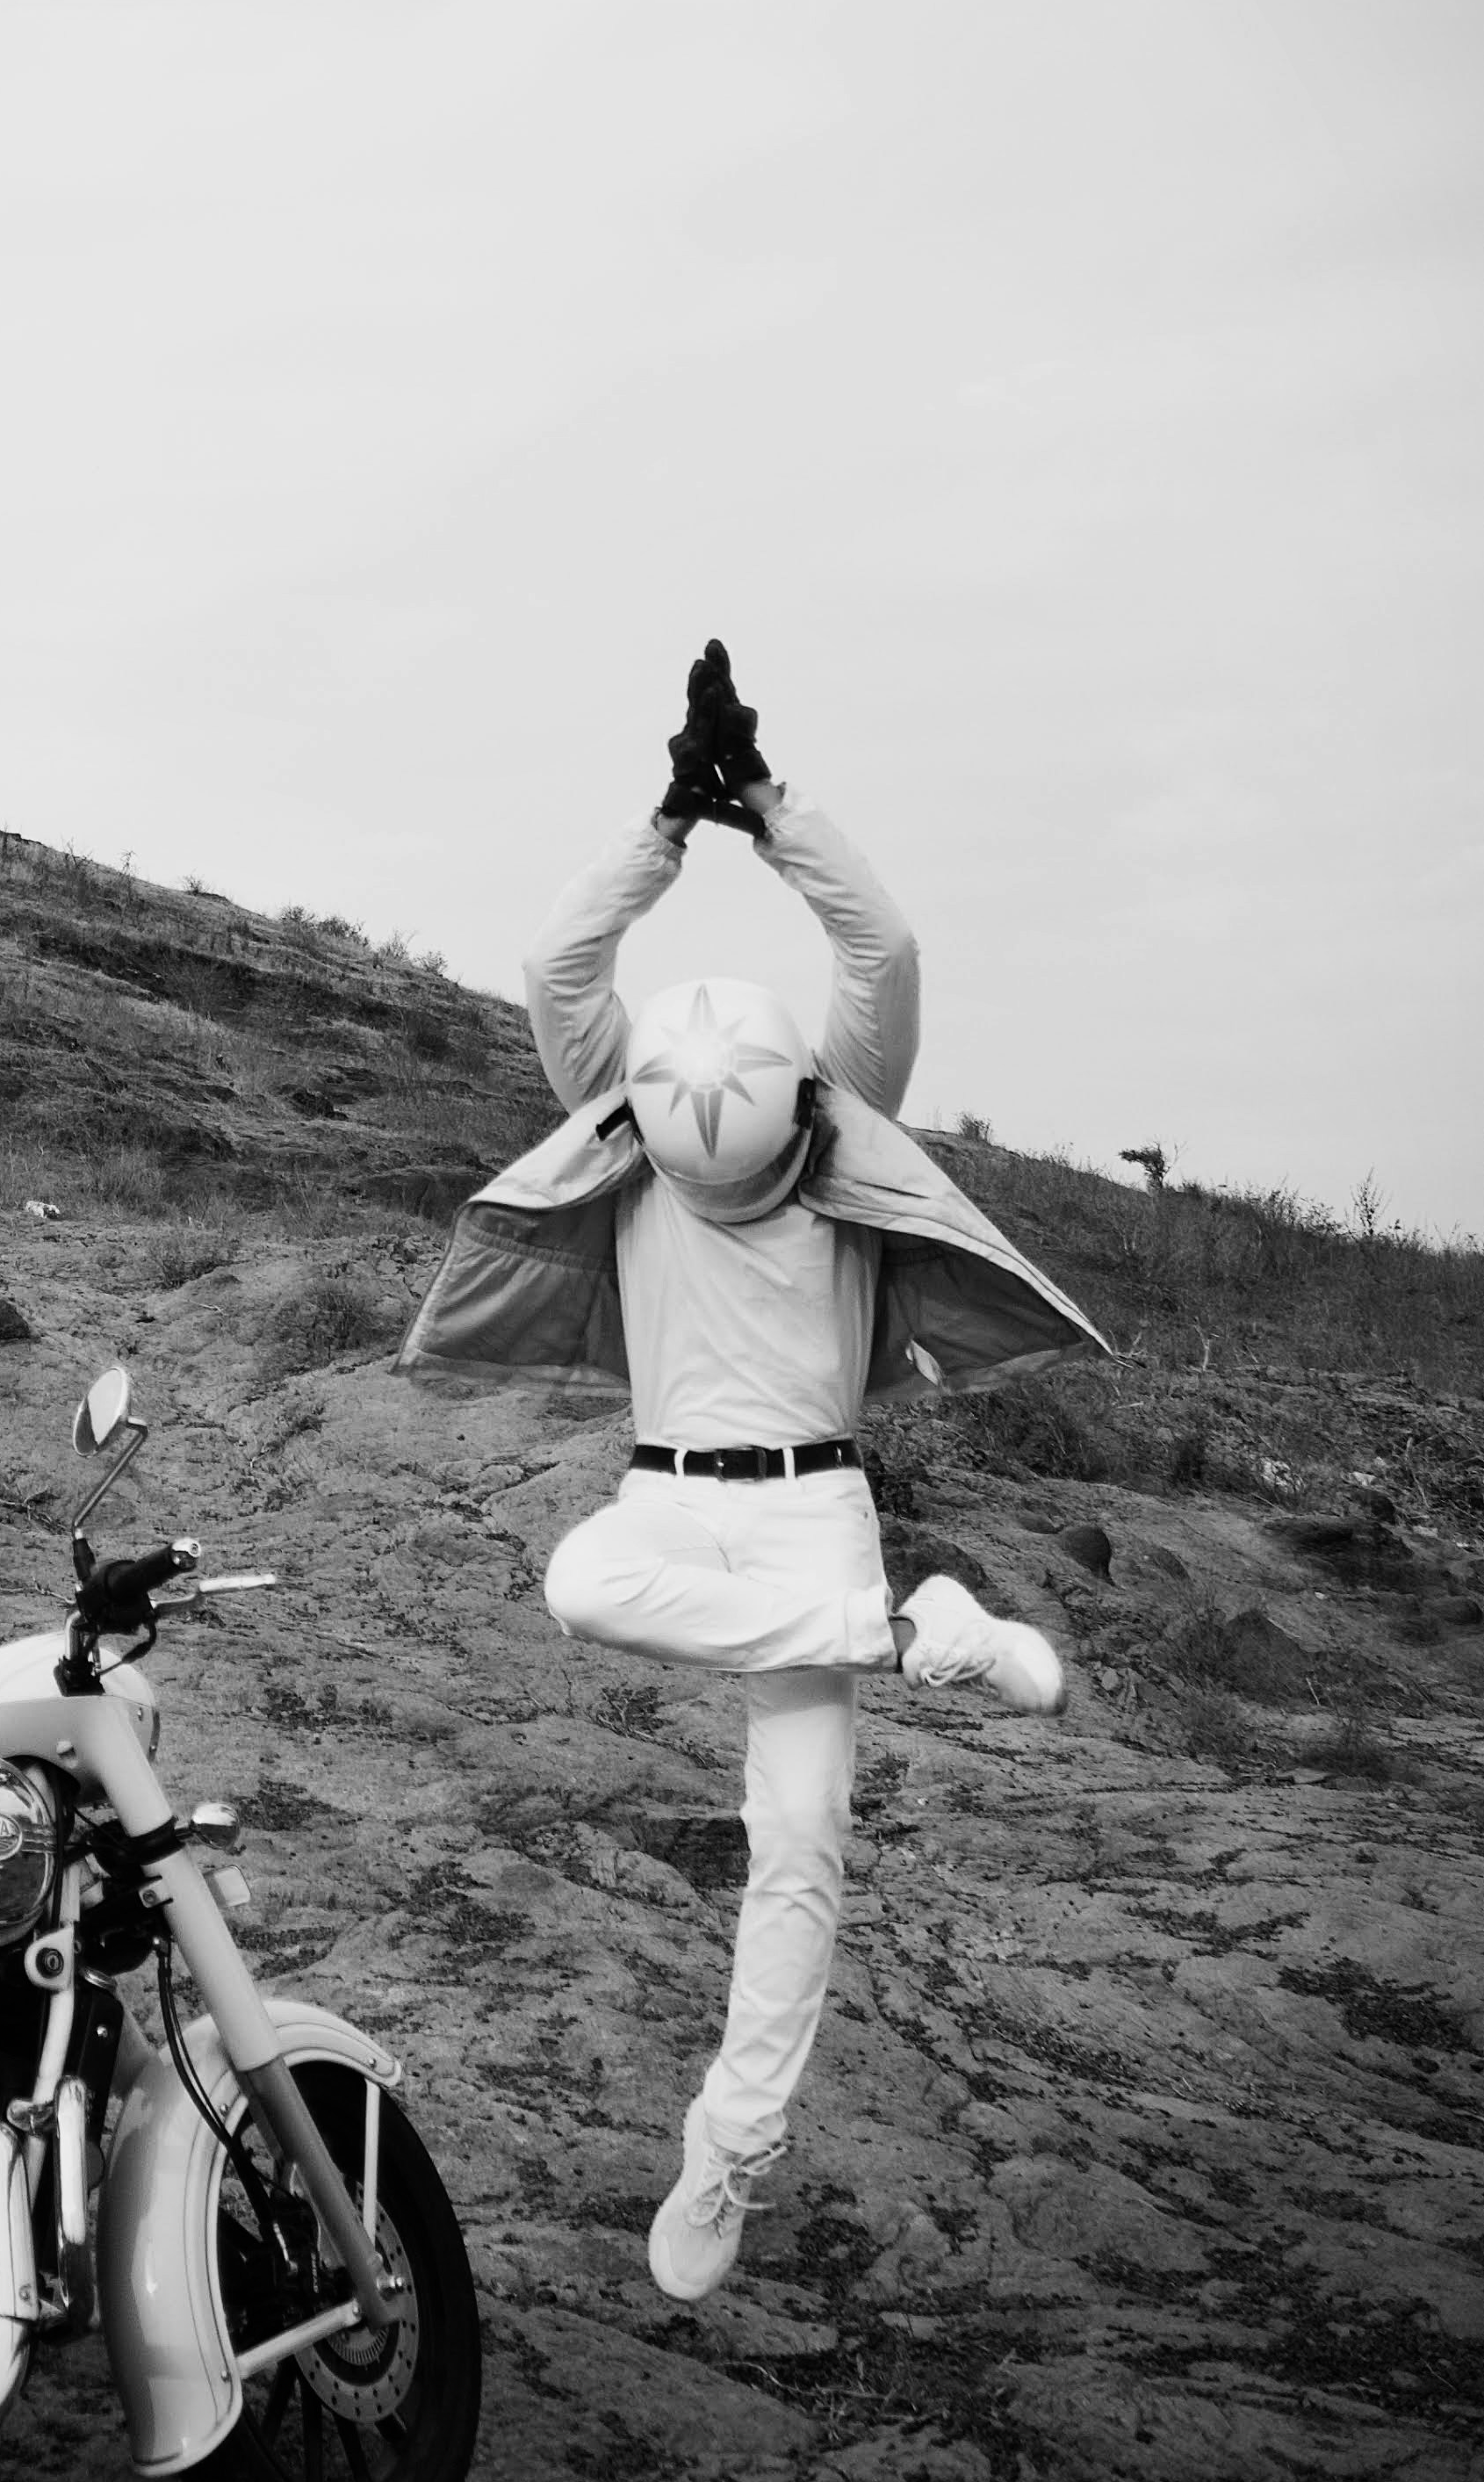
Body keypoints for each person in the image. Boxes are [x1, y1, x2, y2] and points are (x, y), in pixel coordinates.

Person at [402, 644, 1107, 2305]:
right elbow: (557, 954)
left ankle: (729, 2149)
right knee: (576, 1581)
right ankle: (922, 1635)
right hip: (677, 1510)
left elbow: (886, 944)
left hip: (808, 1507)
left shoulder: (845, 1104)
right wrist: (670, 815)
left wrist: (765, 801)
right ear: (645, 1130)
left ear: (801, 1113)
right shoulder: (626, 1112)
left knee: (798, 1847)